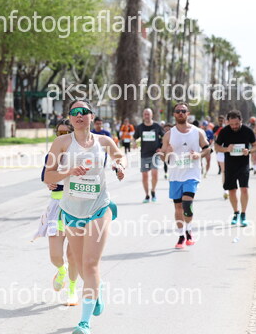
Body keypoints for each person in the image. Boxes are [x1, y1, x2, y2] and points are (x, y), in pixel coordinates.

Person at [44, 99, 125, 334]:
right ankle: (97, 290)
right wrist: (69, 171)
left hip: (99, 208)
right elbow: (48, 176)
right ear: (70, 118)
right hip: (71, 211)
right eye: (74, 112)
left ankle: (84, 323)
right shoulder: (61, 143)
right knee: (80, 266)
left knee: (90, 263)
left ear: (92, 115)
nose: (79, 115)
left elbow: (119, 156)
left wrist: (119, 166)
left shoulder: (103, 141)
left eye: (84, 111)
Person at [34, 119, 80, 307]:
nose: (61, 137)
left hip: (76, 205)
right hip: (56, 207)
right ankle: (62, 270)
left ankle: (72, 290)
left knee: (73, 254)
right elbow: (45, 175)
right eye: (59, 133)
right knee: (55, 255)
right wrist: (49, 182)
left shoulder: (80, 154)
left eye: (65, 133)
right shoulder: (52, 155)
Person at [161, 103, 210, 249]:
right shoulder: (168, 135)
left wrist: (199, 155)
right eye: (178, 111)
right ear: (174, 114)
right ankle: (181, 235)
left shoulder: (198, 132)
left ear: (188, 113)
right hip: (175, 175)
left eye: (183, 111)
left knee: (187, 204)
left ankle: (189, 231)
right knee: (178, 207)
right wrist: (168, 152)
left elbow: (207, 149)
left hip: (191, 174)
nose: (180, 113)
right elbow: (163, 157)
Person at [215, 110, 256, 226]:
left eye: (236, 124)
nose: (234, 126)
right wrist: (226, 149)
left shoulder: (247, 131)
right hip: (230, 165)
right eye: (232, 124)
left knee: (244, 189)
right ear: (228, 122)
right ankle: (236, 213)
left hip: (243, 164)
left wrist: (249, 151)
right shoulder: (224, 131)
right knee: (232, 190)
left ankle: (243, 214)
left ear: (241, 120)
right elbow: (216, 147)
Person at [133, 108, 165, 203]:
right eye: (145, 114)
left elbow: (164, 137)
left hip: (155, 155)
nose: (147, 116)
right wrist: (134, 143)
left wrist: (161, 147)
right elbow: (134, 137)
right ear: (143, 116)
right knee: (145, 176)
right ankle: (147, 195)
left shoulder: (157, 126)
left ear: (152, 115)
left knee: (155, 173)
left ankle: (153, 191)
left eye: (148, 114)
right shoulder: (140, 127)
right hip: (144, 154)